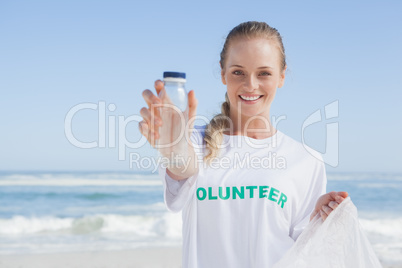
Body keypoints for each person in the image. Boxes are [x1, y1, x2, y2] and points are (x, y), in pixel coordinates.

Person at [139, 21, 348, 268]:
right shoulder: (193, 141)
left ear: (281, 76)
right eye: (238, 72)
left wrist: (319, 222)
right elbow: (184, 165)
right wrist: (174, 149)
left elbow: (303, 253)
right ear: (222, 73)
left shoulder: (306, 160)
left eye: (264, 73)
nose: (250, 85)